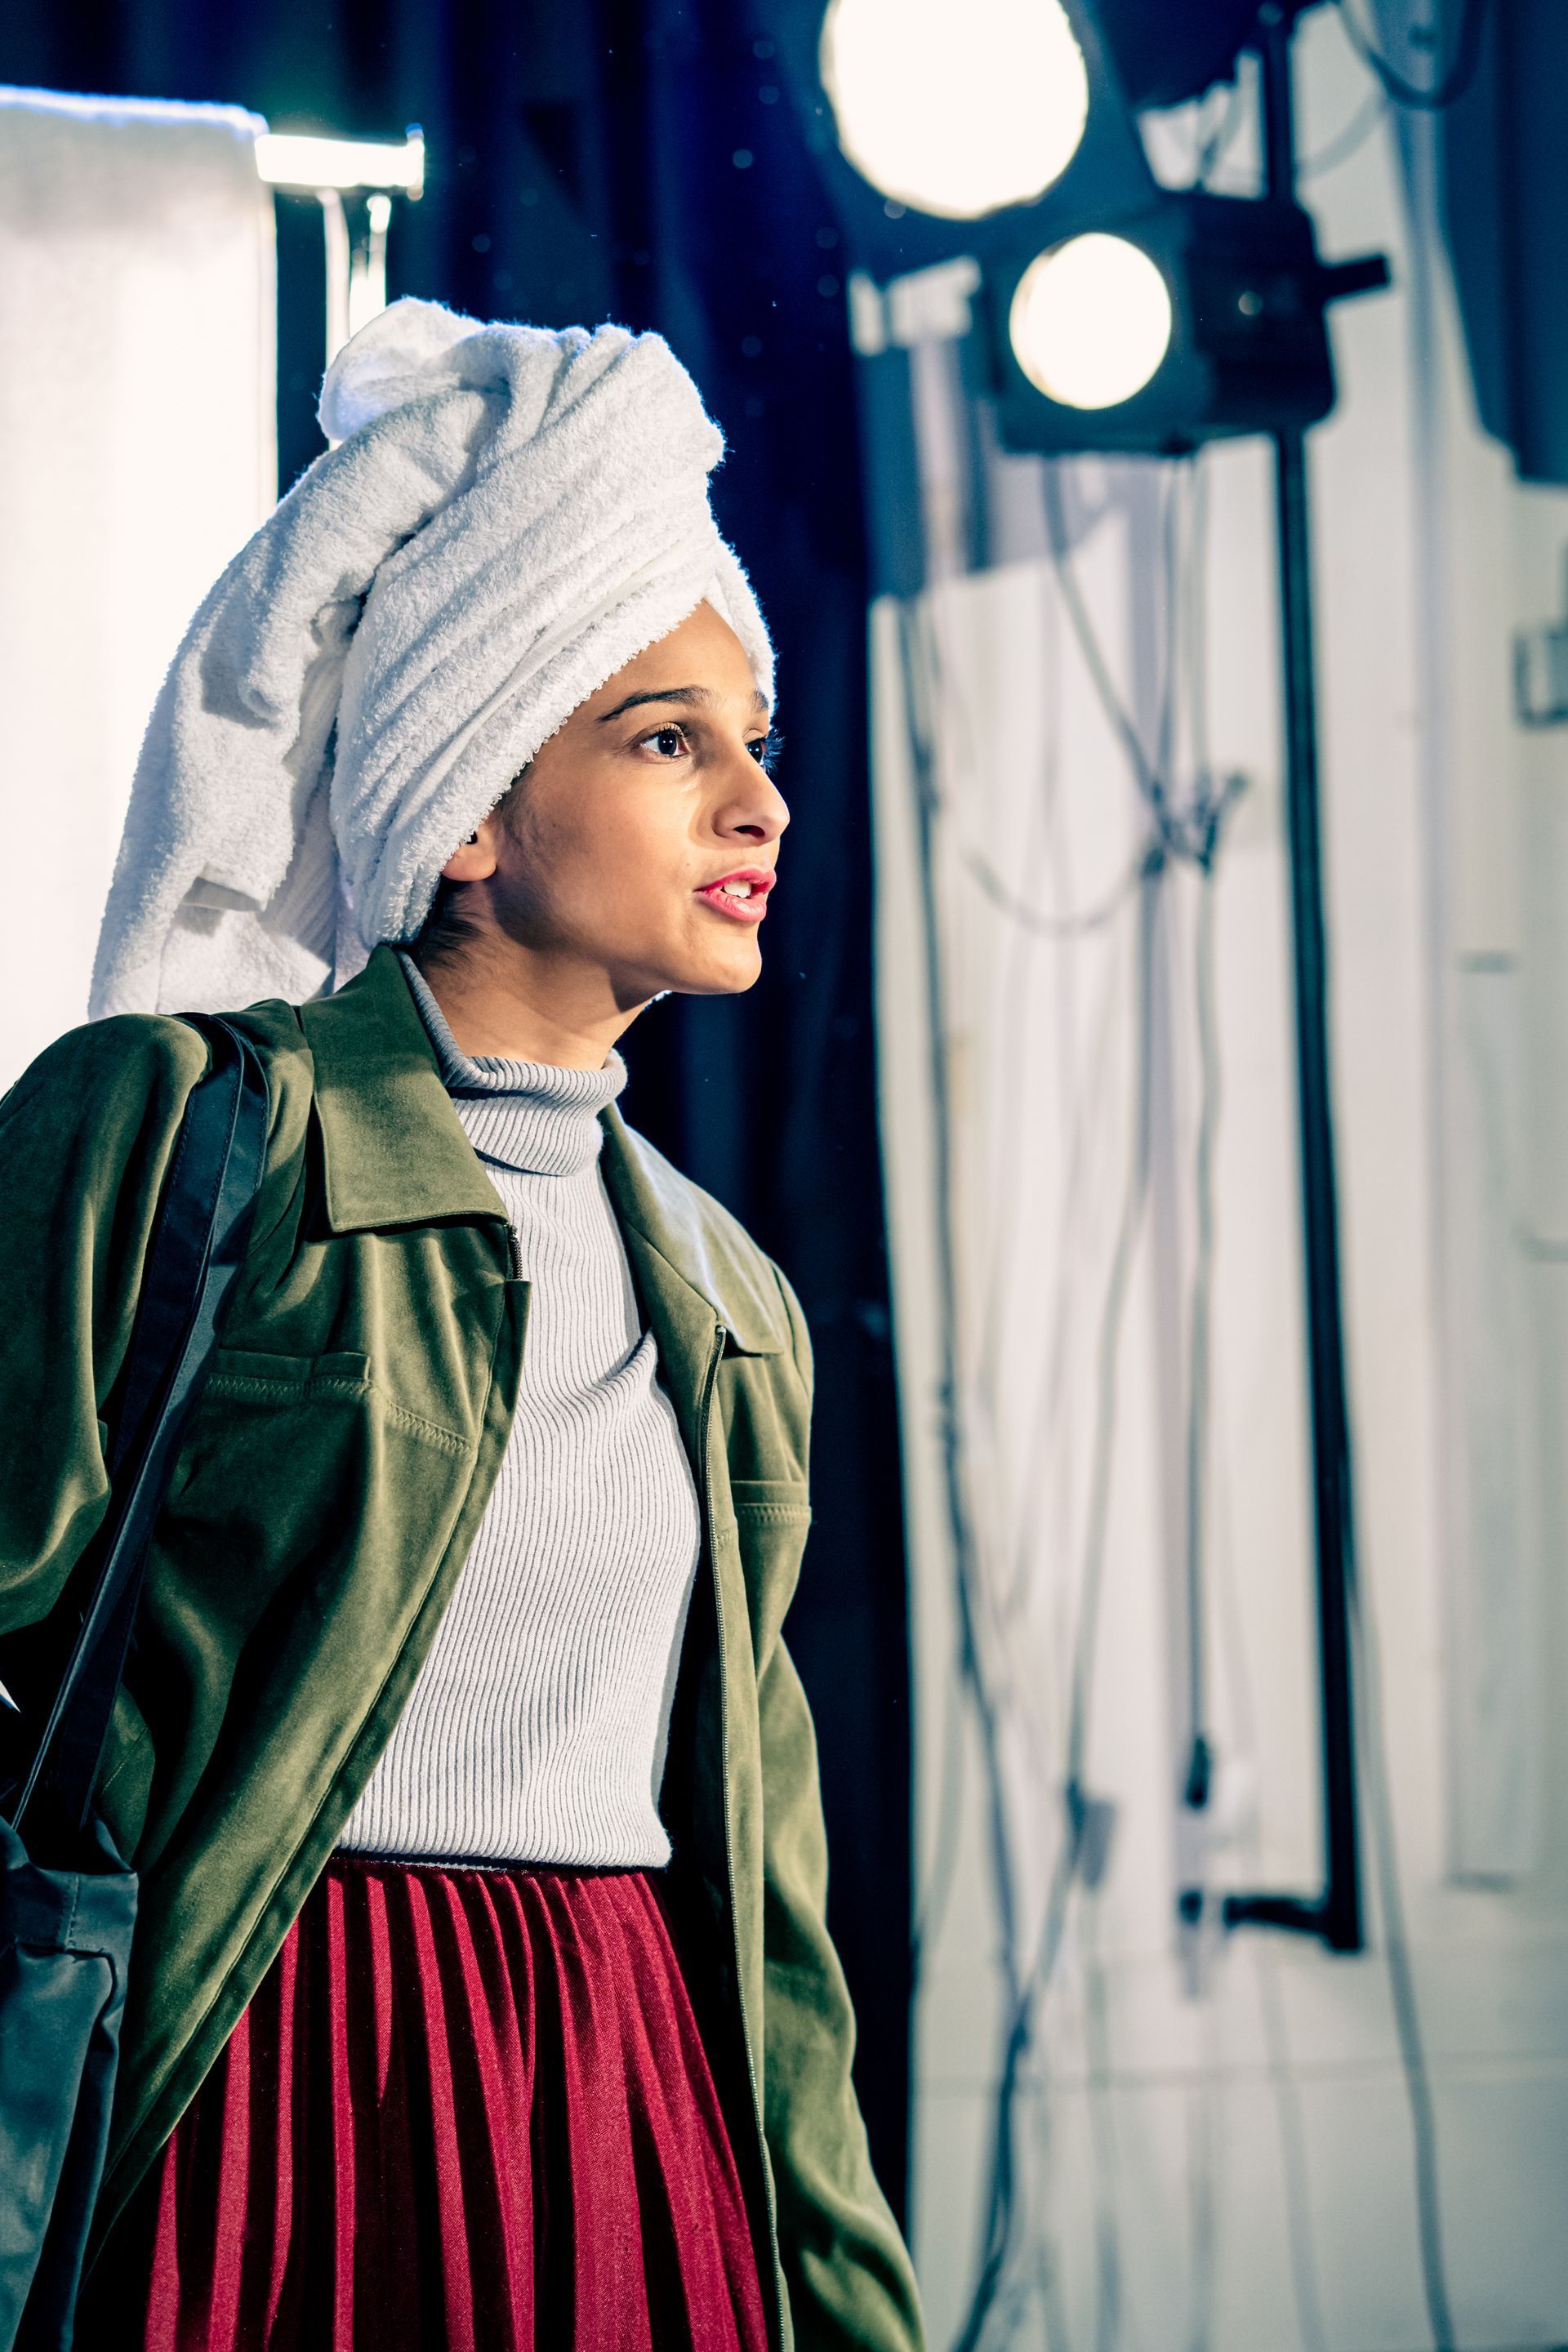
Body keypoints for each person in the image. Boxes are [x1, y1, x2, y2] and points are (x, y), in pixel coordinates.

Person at [0, 301, 924, 2351]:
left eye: (758, 741)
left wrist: (855, 2305)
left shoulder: (726, 1299)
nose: (761, 803)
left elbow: (769, 1898)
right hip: (263, 2097)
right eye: (671, 740)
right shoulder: (179, 1132)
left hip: (617, 2103)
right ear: (467, 811)